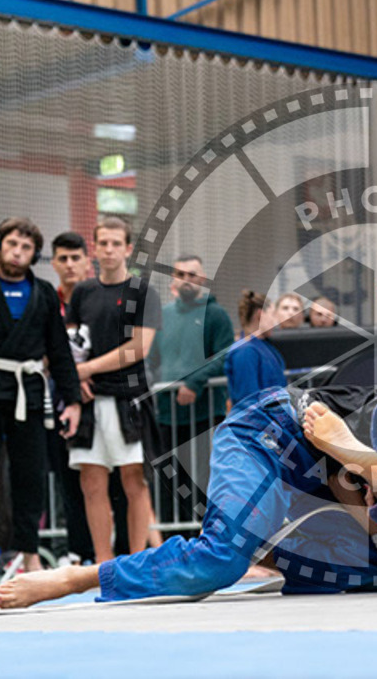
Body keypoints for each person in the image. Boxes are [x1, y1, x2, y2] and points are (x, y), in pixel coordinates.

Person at [0, 273, 377, 608]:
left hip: (332, 453)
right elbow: (368, 474)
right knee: (220, 559)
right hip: (269, 437)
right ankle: (78, 577)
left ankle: (296, 519)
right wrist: (364, 470)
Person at [0, 217, 81, 593]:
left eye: (25, 247)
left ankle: (31, 557)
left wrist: (71, 400)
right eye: (12, 244)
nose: (17, 252)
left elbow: (59, 352)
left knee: (31, 477)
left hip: (30, 393)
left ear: (33, 254)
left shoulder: (42, 294)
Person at [66, 216, 161, 563]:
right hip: (91, 402)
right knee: (91, 482)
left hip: (128, 401)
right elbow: (73, 342)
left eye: (115, 243)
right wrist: (76, 379)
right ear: (94, 248)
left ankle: (135, 562)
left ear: (128, 248)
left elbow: (139, 348)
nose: (108, 249)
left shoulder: (143, 292)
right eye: (102, 243)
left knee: (133, 481)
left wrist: (86, 369)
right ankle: (103, 565)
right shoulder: (83, 292)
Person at [147, 254, 234, 517]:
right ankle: (169, 542)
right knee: (166, 481)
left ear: (203, 279)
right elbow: (151, 359)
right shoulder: (162, 315)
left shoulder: (216, 314)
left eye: (192, 275)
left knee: (203, 478)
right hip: (166, 415)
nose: (186, 280)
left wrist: (194, 383)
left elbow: (224, 355)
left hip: (205, 413)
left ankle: (204, 536)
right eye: (180, 275)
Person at [44, 231, 95, 564]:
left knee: (109, 481)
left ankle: (114, 553)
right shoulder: (47, 301)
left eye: (76, 257)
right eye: (63, 258)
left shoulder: (99, 298)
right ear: (53, 264)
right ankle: (78, 551)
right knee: (68, 480)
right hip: (56, 404)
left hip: (99, 399)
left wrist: (89, 376)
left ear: (87, 263)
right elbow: (43, 353)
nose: (69, 264)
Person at [225, 290, 287, 407]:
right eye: (272, 314)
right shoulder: (245, 352)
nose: (276, 321)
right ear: (260, 314)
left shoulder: (263, 346)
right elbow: (248, 400)